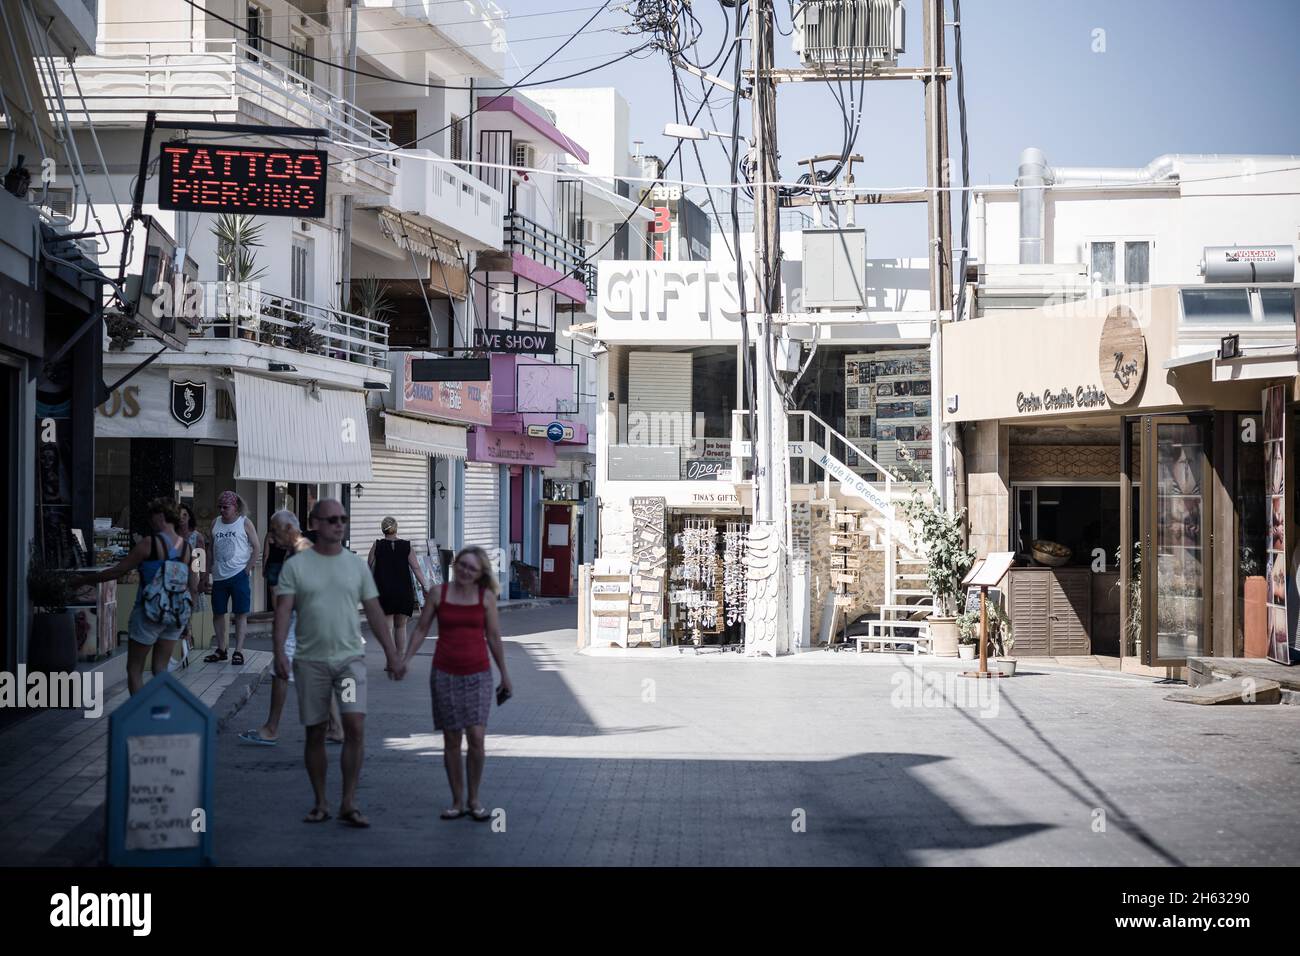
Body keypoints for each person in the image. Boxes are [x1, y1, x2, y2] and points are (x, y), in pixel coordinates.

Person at [273, 499, 404, 827]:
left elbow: (374, 611)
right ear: (315, 524)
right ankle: (320, 802)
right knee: (315, 732)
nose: (339, 524)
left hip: (349, 661)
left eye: (342, 519)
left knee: (355, 728)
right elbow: (283, 611)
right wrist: (278, 653)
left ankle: (349, 801)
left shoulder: (356, 565)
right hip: (310, 661)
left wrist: (392, 654)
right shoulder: (297, 565)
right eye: (331, 519)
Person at [405, 545, 512, 822]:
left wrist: (505, 675)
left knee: (476, 738)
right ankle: (456, 801)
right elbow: (421, 629)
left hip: (478, 675)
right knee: (451, 739)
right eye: (462, 565)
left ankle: (474, 799)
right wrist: (405, 659)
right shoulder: (438, 594)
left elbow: (494, 638)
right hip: (444, 673)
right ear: (455, 566)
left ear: (480, 573)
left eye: (472, 568)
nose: (465, 570)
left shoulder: (485, 598)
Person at [82, 498, 197, 695]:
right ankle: (162, 714)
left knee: (134, 669)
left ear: (160, 516)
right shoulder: (187, 548)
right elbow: (192, 585)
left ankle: (141, 716)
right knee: (160, 669)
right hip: (175, 616)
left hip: (148, 614)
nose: (150, 522)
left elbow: (115, 572)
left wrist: (80, 580)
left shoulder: (149, 544)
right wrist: (187, 622)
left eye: (152, 517)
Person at [240, 511, 312, 746]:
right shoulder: (297, 550)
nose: (271, 537)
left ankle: (271, 728)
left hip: (305, 619)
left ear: (290, 528)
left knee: (280, 669)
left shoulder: (302, 552)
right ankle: (336, 726)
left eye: (275, 530)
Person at [206, 491, 260, 666]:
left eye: (225, 507)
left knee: (240, 613)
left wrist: (248, 568)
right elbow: (210, 549)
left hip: (238, 575)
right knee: (218, 613)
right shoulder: (215, 523)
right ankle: (221, 649)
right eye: (220, 507)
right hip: (219, 576)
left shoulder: (244, 522)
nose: (222, 510)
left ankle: (238, 650)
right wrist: (207, 571)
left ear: (235, 507)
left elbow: (257, 547)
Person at [367, 516, 429, 661]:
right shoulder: (407, 546)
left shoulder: (377, 545)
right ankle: (399, 658)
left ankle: (390, 660)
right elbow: (416, 568)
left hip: (383, 591)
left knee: (387, 627)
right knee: (401, 627)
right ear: (396, 528)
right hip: (403, 591)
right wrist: (426, 586)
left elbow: (368, 567)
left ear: (383, 529)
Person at [177, 504, 206, 654]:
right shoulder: (172, 536)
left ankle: (187, 635)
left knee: (189, 607)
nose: (181, 519)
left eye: (185, 515)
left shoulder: (196, 536)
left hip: (192, 574)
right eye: (179, 515)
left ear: (189, 517)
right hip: (176, 574)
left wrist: (202, 580)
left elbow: (201, 560)